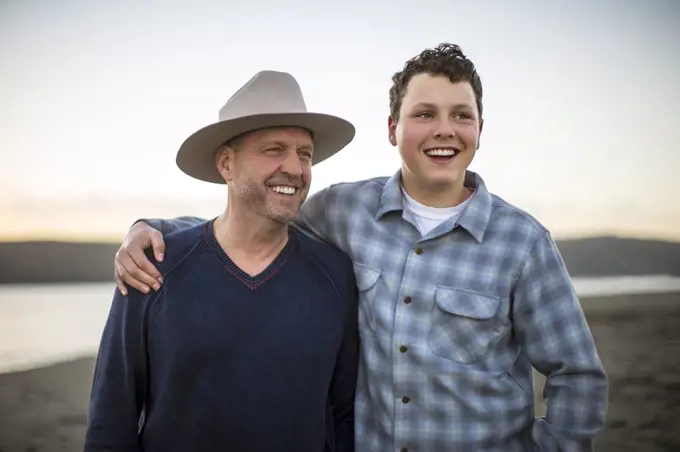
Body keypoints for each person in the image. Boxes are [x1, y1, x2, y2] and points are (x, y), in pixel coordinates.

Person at [114, 44, 608, 451]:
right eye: (424, 113)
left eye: (462, 115)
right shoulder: (343, 211)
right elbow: (249, 220)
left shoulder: (523, 244)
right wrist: (151, 229)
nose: (444, 129)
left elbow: (578, 376)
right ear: (393, 129)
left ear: (479, 130)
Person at [84, 70, 360, 452]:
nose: (295, 169)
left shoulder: (335, 275)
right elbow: (111, 419)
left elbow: (344, 413)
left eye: (304, 154)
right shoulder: (153, 268)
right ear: (226, 164)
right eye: (274, 149)